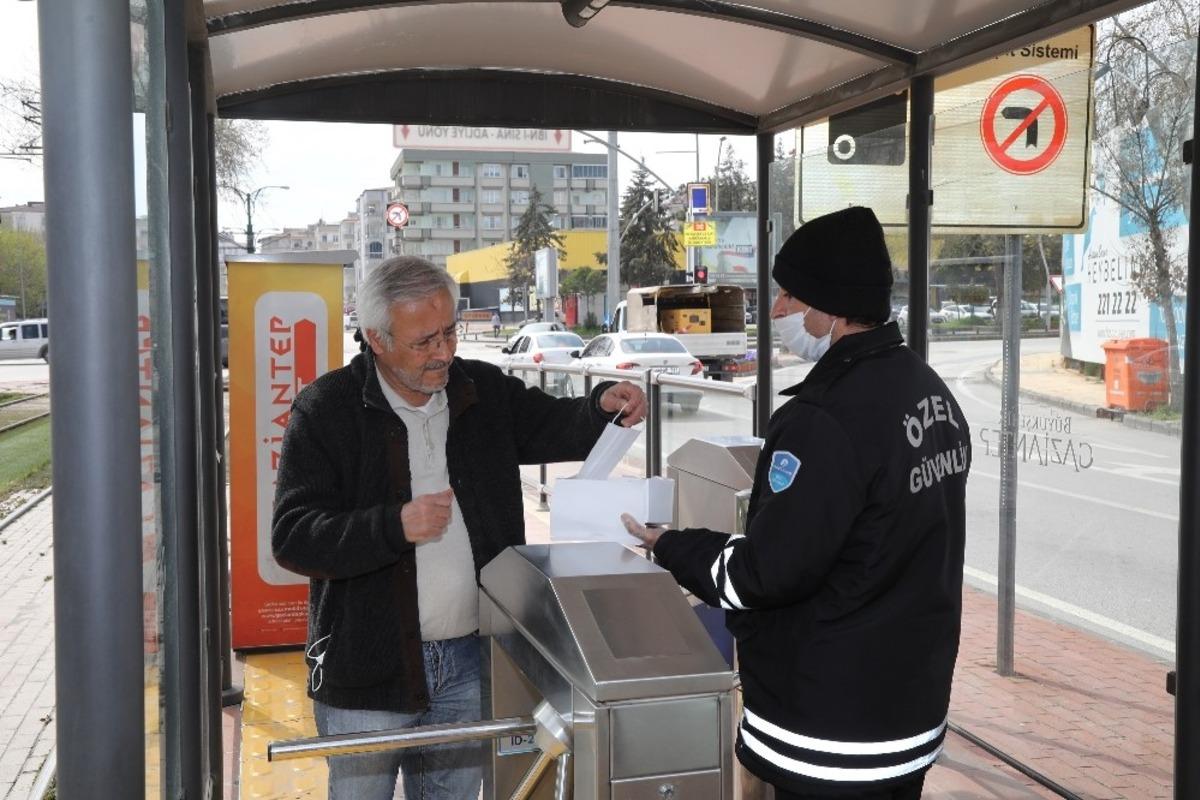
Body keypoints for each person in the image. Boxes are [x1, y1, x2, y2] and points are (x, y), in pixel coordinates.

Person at [622, 206, 970, 800]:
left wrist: (672, 546)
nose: (778, 311)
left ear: (830, 309)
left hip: (829, 728)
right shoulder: (927, 391)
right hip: (906, 710)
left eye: (791, 296)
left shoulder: (824, 419)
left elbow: (767, 573)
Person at [273, 255, 647, 800]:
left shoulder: (482, 391)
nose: (444, 352)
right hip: (365, 670)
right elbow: (293, 535)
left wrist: (599, 407)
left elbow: (550, 425)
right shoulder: (326, 410)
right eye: (424, 341)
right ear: (376, 339)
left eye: (450, 332)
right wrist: (393, 526)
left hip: (472, 658)